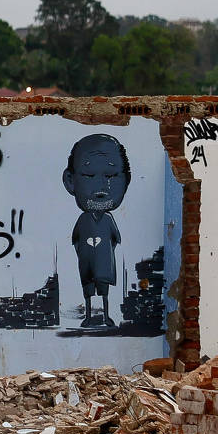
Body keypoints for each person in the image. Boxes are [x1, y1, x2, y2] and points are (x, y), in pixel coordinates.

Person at [62, 134, 130, 328]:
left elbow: (115, 239)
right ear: (70, 181)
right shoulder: (84, 220)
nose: (101, 185)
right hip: (88, 264)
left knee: (104, 291)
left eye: (110, 176)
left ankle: (106, 315)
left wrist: (103, 252)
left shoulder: (107, 219)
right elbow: (76, 240)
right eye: (89, 176)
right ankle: (90, 316)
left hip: (102, 264)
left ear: (126, 180)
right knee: (89, 292)